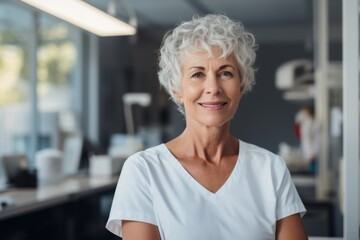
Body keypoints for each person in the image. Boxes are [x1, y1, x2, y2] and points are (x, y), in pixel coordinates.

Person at [106, 14, 308, 240]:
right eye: (197, 74)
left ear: (241, 86)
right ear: (176, 90)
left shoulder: (270, 169)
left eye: (225, 73)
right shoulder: (143, 171)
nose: (213, 87)